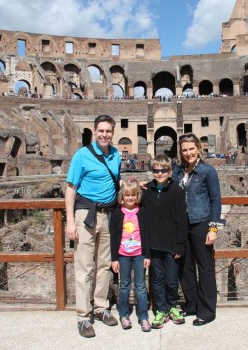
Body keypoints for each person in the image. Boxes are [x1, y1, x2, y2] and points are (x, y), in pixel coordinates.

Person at [65, 115, 121, 338]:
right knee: (84, 267)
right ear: (95, 131)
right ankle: (82, 316)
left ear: (112, 132)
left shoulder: (116, 154)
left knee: (104, 265)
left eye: (108, 131)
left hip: (108, 215)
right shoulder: (81, 155)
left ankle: (100, 308)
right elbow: (70, 188)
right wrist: (70, 221)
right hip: (85, 215)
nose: (104, 134)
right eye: (101, 131)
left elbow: (115, 183)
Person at [172, 133, 224, 326]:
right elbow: (165, 186)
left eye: (191, 149)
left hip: (201, 223)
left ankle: (207, 310)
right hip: (182, 225)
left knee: (205, 267)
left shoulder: (208, 171)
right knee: (184, 267)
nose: (188, 153)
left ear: (198, 149)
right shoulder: (178, 171)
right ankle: (192, 304)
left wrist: (214, 228)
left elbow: (216, 200)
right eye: (184, 150)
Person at [141, 155, 188, 329]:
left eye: (163, 170)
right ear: (152, 171)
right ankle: (160, 309)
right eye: (156, 170)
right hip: (153, 243)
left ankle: (172, 306)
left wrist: (180, 244)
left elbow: (181, 220)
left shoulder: (177, 191)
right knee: (157, 278)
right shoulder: (147, 191)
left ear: (170, 171)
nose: (159, 173)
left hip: (171, 243)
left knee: (172, 278)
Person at [110, 179, 152, 332]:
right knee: (124, 285)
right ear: (122, 196)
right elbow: (114, 237)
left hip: (140, 254)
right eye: (127, 195)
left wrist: (148, 255)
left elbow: (146, 234)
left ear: (137, 196)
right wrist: (114, 258)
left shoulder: (142, 212)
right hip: (123, 254)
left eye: (133, 195)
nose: (130, 198)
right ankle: (123, 314)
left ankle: (143, 316)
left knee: (141, 286)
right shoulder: (117, 213)